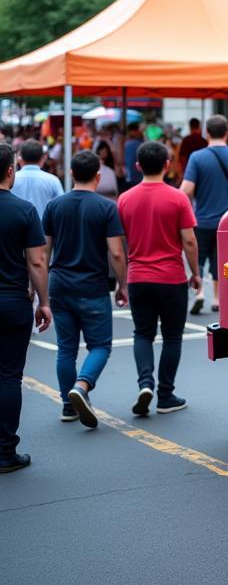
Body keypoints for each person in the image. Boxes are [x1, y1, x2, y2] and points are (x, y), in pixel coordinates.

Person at [42, 151, 128, 428]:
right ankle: (82, 385)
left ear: (70, 173)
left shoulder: (54, 206)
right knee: (100, 345)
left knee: (65, 348)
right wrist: (123, 284)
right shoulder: (106, 207)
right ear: (98, 176)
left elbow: (43, 253)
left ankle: (68, 406)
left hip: (59, 284)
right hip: (92, 286)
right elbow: (116, 253)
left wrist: (39, 291)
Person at [117, 141, 200, 415]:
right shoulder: (178, 198)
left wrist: (121, 282)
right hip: (171, 277)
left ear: (137, 166)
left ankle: (145, 383)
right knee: (172, 337)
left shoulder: (125, 199)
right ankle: (166, 396)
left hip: (138, 277)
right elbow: (188, 240)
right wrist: (196, 273)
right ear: (167, 165)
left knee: (142, 333)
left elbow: (119, 244)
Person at [0, 143, 52, 473]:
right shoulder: (23, 210)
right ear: (10, 170)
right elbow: (37, 260)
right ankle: (5, 451)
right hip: (11, 300)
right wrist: (44, 301)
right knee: (8, 375)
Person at [180, 115, 228, 315]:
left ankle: (199, 294)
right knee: (222, 260)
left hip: (202, 220)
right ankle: (217, 298)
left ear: (207, 133)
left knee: (198, 258)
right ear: (227, 132)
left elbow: (186, 190)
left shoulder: (197, 157)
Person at [12, 139, 63, 219]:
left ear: (20, 159)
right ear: (42, 159)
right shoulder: (53, 181)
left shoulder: (11, 180)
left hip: (15, 229)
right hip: (44, 230)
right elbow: (60, 209)